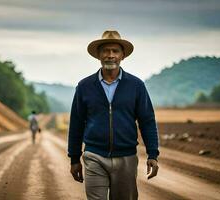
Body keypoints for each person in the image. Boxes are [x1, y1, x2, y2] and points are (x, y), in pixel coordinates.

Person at [68, 30, 160, 200]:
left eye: (115, 51)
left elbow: (147, 121)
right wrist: (74, 158)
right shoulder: (84, 86)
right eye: (106, 51)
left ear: (122, 55)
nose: (110, 55)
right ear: (98, 55)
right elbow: (76, 123)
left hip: (126, 158)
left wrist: (152, 154)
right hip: (94, 156)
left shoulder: (136, 85)